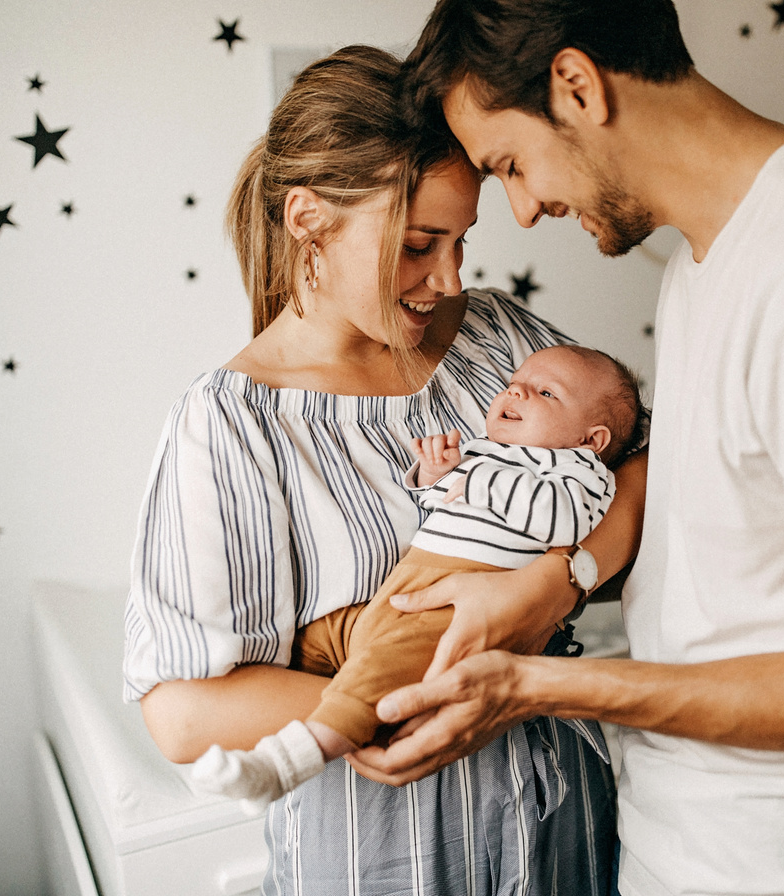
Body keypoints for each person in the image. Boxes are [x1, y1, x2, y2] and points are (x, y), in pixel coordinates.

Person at [356, 4, 784, 896]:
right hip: (694, 844)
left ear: (578, 86)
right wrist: (560, 575)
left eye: (510, 164)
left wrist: (537, 685)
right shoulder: (706, 261)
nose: (526, 209)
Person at [123, 45, 646, 895]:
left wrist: (560, 582)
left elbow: (639, 462)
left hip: (567, 820)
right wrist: (456, 691)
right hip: (389, 856)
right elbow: (184, 714)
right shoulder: (232, 426)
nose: (449, 278)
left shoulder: (498, 338)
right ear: (307, 220)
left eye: (460, 241)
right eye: (417, 245)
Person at [189, 344, 648, 805]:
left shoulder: (581, 474)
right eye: (514, 383)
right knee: (316, 637)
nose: (517, 392)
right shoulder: (485, 452)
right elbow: (440, 503)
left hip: (454, 609)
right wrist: (435, 475)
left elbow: (558, 522)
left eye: (545, 392)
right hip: (404, 591)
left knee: (376, 673)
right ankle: (254, 737)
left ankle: (284, 765)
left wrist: (477, 478)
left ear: (592, 440)